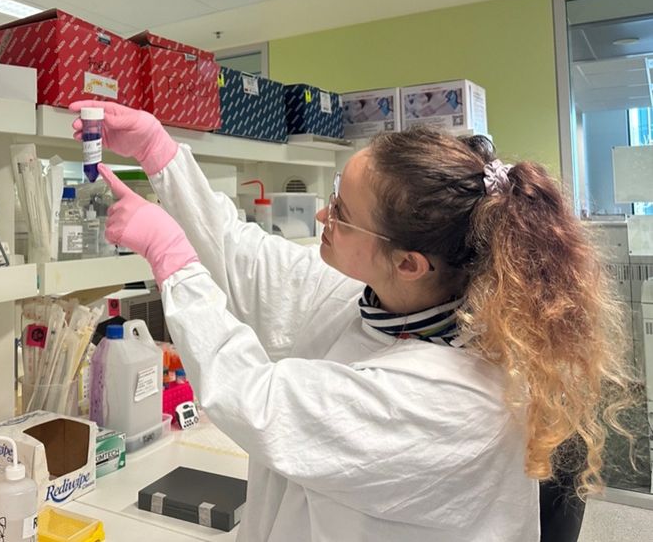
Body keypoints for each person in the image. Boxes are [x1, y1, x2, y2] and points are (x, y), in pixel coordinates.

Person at [69, 100, 632, 541]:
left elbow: (259, 401)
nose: (322, 214)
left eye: (340, 211)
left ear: (409, 262)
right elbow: (243, 254)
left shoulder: (451, 399)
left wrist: (174, 262)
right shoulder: (386, 303)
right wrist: (161, 153)